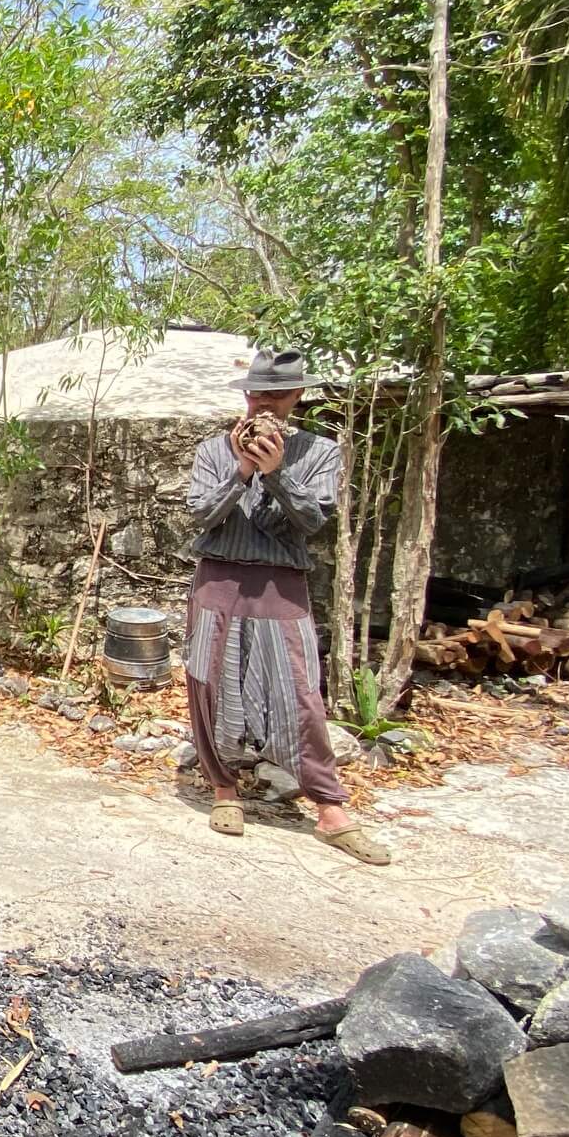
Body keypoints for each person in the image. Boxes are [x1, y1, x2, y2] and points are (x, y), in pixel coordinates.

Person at [184, 350, 389, 865]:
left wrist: (276, 474)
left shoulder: (320, 452)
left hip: (280, 582)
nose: (263, 405)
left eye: (275, 396)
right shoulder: (213, 451)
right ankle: (224, 788)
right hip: (220, 577)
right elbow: (202, 516)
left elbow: (311, 522)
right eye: (256, 396)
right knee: (209, 681)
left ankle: (329, 807)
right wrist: (243, 470)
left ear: (297, 397)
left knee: (298, 690)